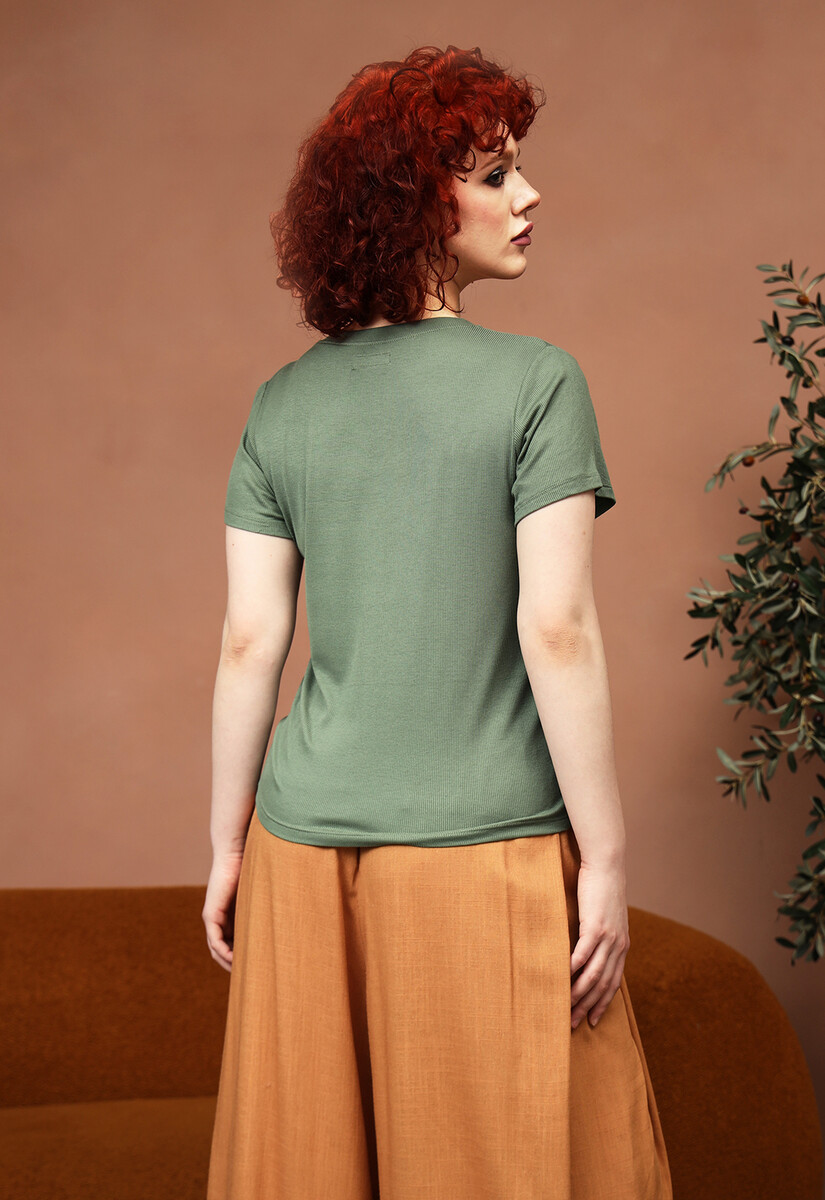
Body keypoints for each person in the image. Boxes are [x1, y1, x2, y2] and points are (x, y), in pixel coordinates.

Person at [203, 43, 673, 1200]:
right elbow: (557, 630)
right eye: (497, 174)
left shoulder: (280, 405)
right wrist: (607, 857)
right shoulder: (539, 383)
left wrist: (226, 849)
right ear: (418, 202)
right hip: (485, 850)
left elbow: (251, 644)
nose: (530, 196)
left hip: (299, 854)